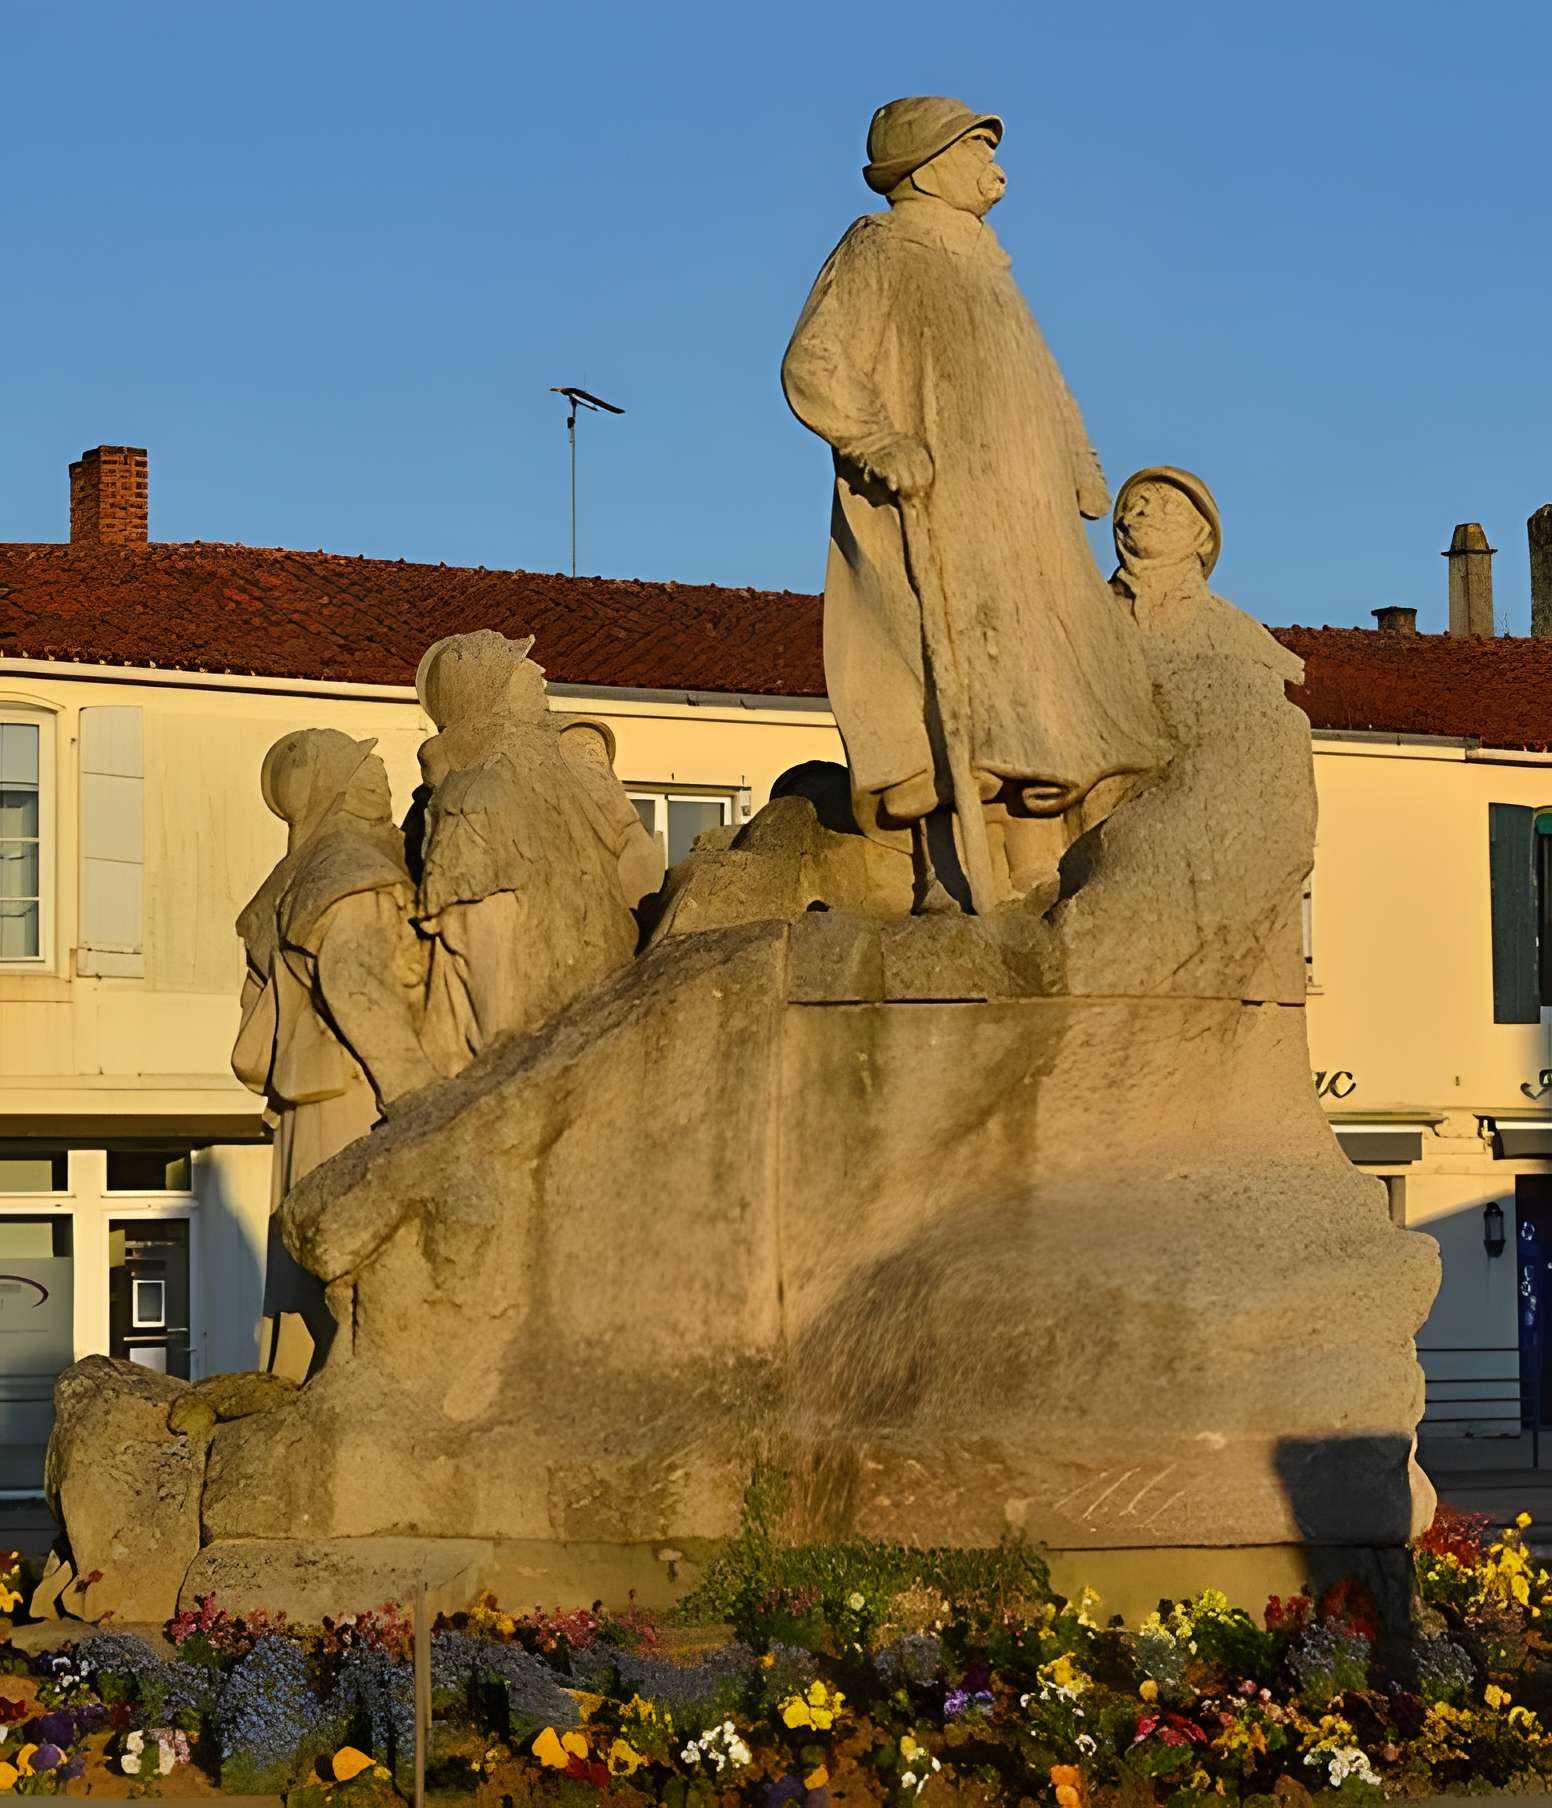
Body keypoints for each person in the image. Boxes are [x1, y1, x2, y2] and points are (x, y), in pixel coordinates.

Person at [782, 96, 1165, 907]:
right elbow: (814, 363)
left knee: (1041, 689)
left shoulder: (991, 267)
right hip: (938, 505)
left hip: (1024, 515)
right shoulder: (880, 248)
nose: (998, 168)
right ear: (926, 165)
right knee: (952, 685)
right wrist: (876, 441)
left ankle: (1038, 865)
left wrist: (1078, 461)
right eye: (976, 149)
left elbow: (1042, 380)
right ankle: (948, 874)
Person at [413, 631, 653, 1071]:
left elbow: (632, 875)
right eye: (519, 666)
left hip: (602, 1012)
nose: (539, 672)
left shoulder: (560, 774)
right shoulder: (476, 798)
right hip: (531, 1046)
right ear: (486, 692)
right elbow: (480, 949)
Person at [233, 728, 439, 1201]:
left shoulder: (295, 877)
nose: (380, 778)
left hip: (316, 1094)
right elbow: (362, 996)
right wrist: (421, 1099)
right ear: (331, 789)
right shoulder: (349, 872)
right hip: (359, 1090)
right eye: (359, 770)